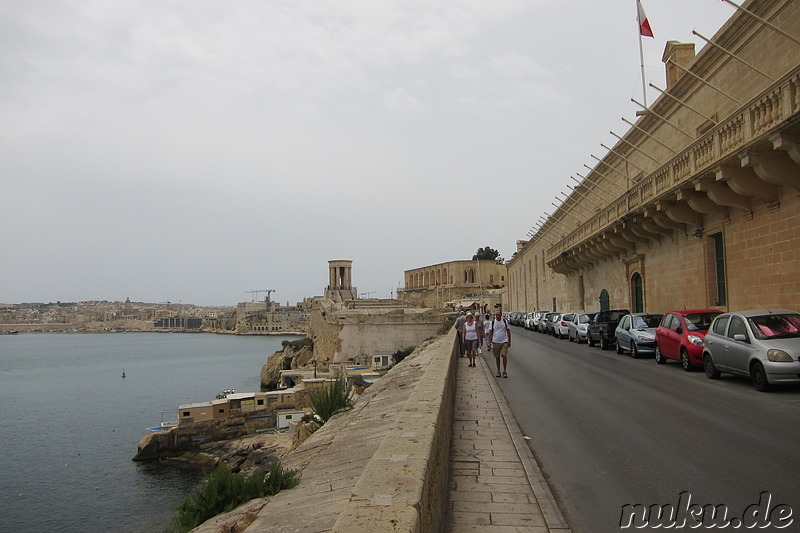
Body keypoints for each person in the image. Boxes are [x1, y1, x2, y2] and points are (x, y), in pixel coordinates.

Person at [487, 309, 511, 378]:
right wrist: (489, 341)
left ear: (501, 315)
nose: (497, 316)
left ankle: (504, 371)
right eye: (496, 315)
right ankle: (498, 371)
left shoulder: (504, 322)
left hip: (504, 341)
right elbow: (490, 332)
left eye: (498, 315)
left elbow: (508, 331)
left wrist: (509, 340)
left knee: (504, 355)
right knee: (497, 357)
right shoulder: (493, 323)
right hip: (495, 342)